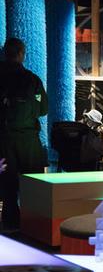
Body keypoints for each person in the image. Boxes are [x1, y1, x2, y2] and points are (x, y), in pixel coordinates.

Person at [0, 38, 48, 229]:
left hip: (3, 140)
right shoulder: (32, 79)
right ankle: (33, 222)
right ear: (21, 54)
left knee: (7, 182)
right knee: (32, 181)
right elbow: (43, 109)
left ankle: (9, 219)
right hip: (28, 140)